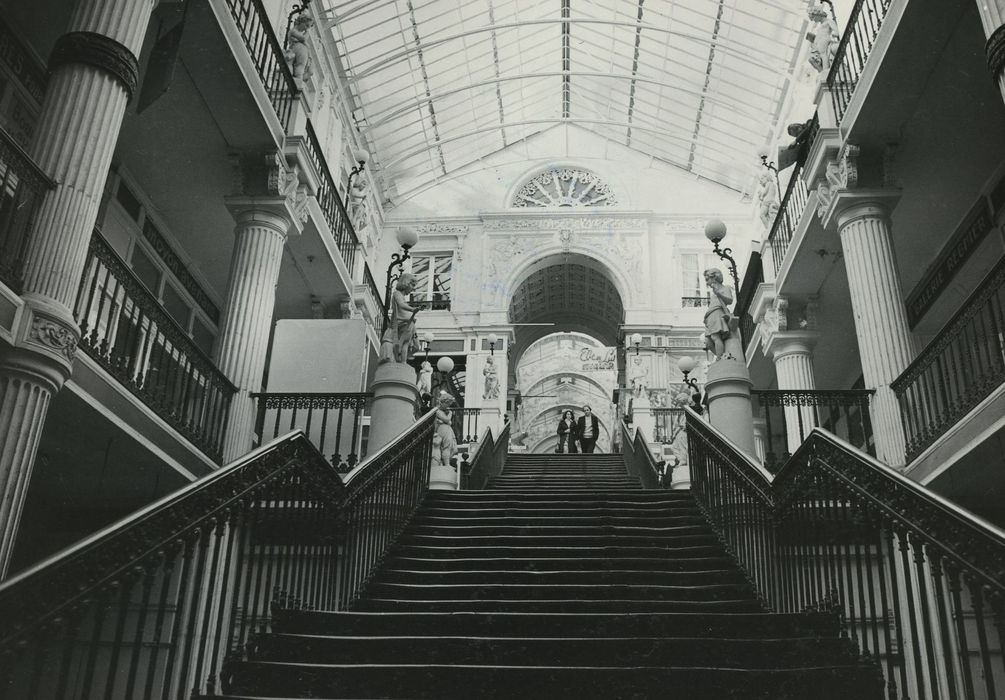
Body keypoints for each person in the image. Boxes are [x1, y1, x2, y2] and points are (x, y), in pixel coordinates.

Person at [703, 268, 734, 360]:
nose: (707, 283)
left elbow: (730, 300)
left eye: (707, 279)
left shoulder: (725, 288)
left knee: (715, 336)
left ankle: (721, 359)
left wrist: (719, 294)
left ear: (714, 278)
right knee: (708, 341)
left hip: (717, 312)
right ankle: (723, 357)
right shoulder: (713, 293)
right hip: (710, 316)